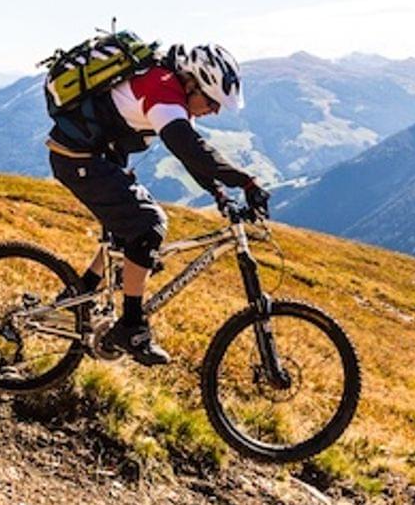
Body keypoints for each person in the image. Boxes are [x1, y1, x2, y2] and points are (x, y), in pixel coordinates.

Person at [47, 43, 270, 366]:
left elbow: (193, 156)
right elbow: (190, 148)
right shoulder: (162, 88)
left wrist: (220, 195)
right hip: (79, 160)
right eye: (212, 101)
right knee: (148, 226)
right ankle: (132, 327)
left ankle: (77, 295)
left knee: (128, 231)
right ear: (192, 82)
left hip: (92, 158)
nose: (215, 111)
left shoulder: (171, 94)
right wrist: (246, 181)